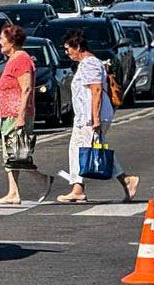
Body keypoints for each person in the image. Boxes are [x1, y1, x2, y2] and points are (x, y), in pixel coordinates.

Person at [58, 30, 139, 203]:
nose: (67, 53)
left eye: (68, 49)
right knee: (91, 149)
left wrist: (94, 118)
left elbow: (95, 90)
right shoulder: (88, 63)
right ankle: (124, 181)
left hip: (91, 117)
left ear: (77, 46)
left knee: (81, 150)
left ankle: (79, 188)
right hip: (86, 117)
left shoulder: (89, 64)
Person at [0, 25, 54, 204]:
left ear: (11, 41)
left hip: (17, 113)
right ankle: (13, 192)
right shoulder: (13, 59)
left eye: (2, 39)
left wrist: (21, 115)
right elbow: (10, 88)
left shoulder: (22, 60)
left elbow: (26, 88)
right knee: (12, 153)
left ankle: (42, 180)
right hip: (9, 111)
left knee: (16, 153)